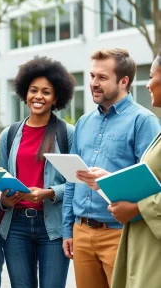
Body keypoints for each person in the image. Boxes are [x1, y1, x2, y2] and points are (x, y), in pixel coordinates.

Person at [62, 48, 161, 288]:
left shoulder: (144, 121)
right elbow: (72, 180)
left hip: (120, 233)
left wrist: (110, 182)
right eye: (92, 76)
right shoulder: (84, 122)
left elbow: (147, 181)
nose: (94, 83)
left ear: (124, 81)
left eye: (102, 78)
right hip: (81, 232)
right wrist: (68, 229)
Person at [0, 56, 75, 288]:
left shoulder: (67, 133)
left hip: (52, 227)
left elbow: (77, 180)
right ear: (25, 93)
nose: (38, 97)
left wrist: (49, 192)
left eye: (46, 92)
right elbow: (0, 177)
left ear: (56, 98)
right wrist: (5, 200)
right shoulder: (9, 135)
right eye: (33, 90)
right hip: (16, 227)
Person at [109, 54, 161, 288]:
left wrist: (137, 208)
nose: (148, 84)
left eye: (152, 76)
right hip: (145, 241)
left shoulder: (144, 120)